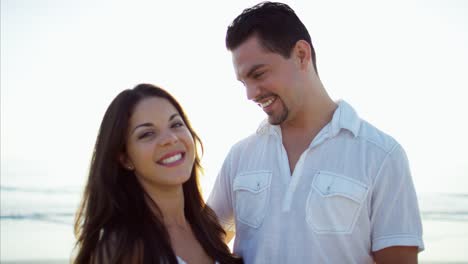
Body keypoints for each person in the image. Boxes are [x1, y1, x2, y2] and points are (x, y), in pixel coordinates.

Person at [207, 2, 424, 263]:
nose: (251, 94)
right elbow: (201, 242)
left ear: (301, 54)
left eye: (259, 74)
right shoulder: (240, 156)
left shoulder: (382, 156)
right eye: (244, 82)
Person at [73, 84, 243, 264]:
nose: (170, 139)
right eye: (147, 134)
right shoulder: (121, 249)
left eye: (176, 124)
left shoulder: (209, 230)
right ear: (125, 158)